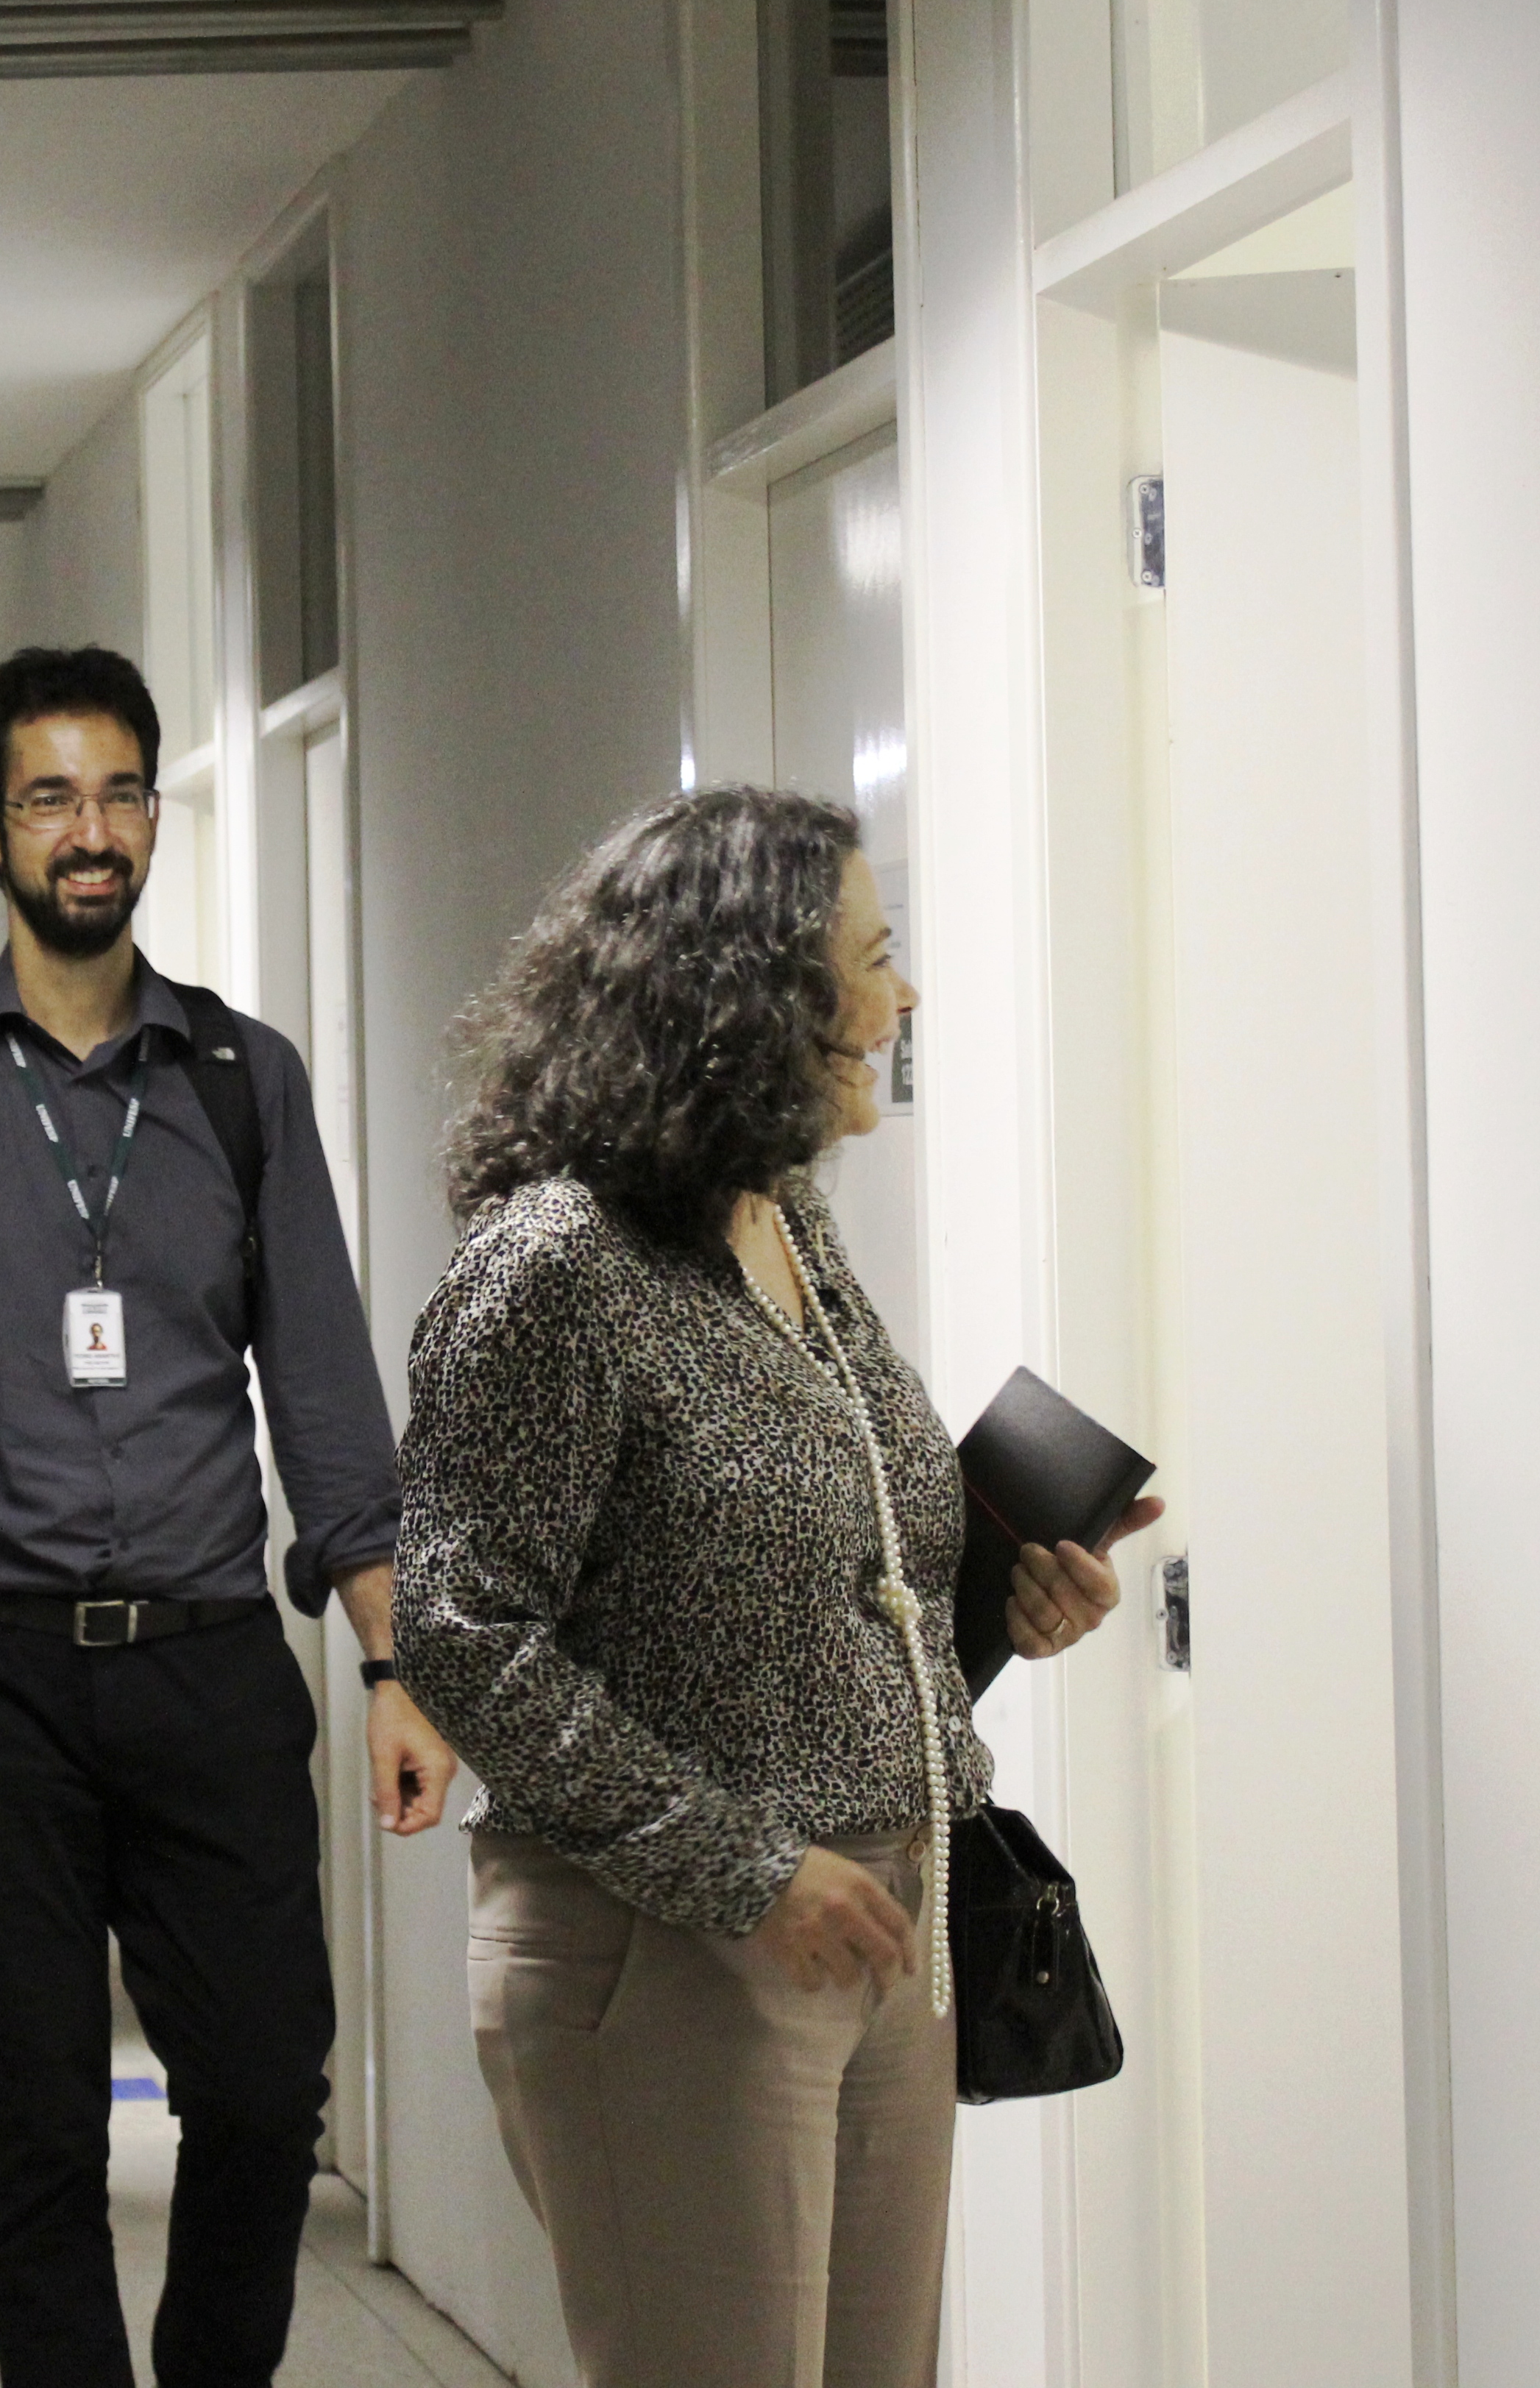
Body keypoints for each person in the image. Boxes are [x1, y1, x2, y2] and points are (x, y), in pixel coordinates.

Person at [0, 645, 459, 2388]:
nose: (94, 831)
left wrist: (396, 1663)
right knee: (42, 2132)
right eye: (53, 797)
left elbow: (324, 1395)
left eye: (122, 791)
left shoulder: (240, 1076)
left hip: (208, 1662)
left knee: (261, 2090)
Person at [391, 787, 1150, 2388]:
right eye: (874, 960)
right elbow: (464, 1636)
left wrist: (1001, 1593)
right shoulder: (553, 1268)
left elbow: (801, 1568)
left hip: (883, 1922)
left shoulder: (783, 1213)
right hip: (676, 1948)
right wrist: (746, 1867)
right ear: (745, 998)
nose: (905, 998)